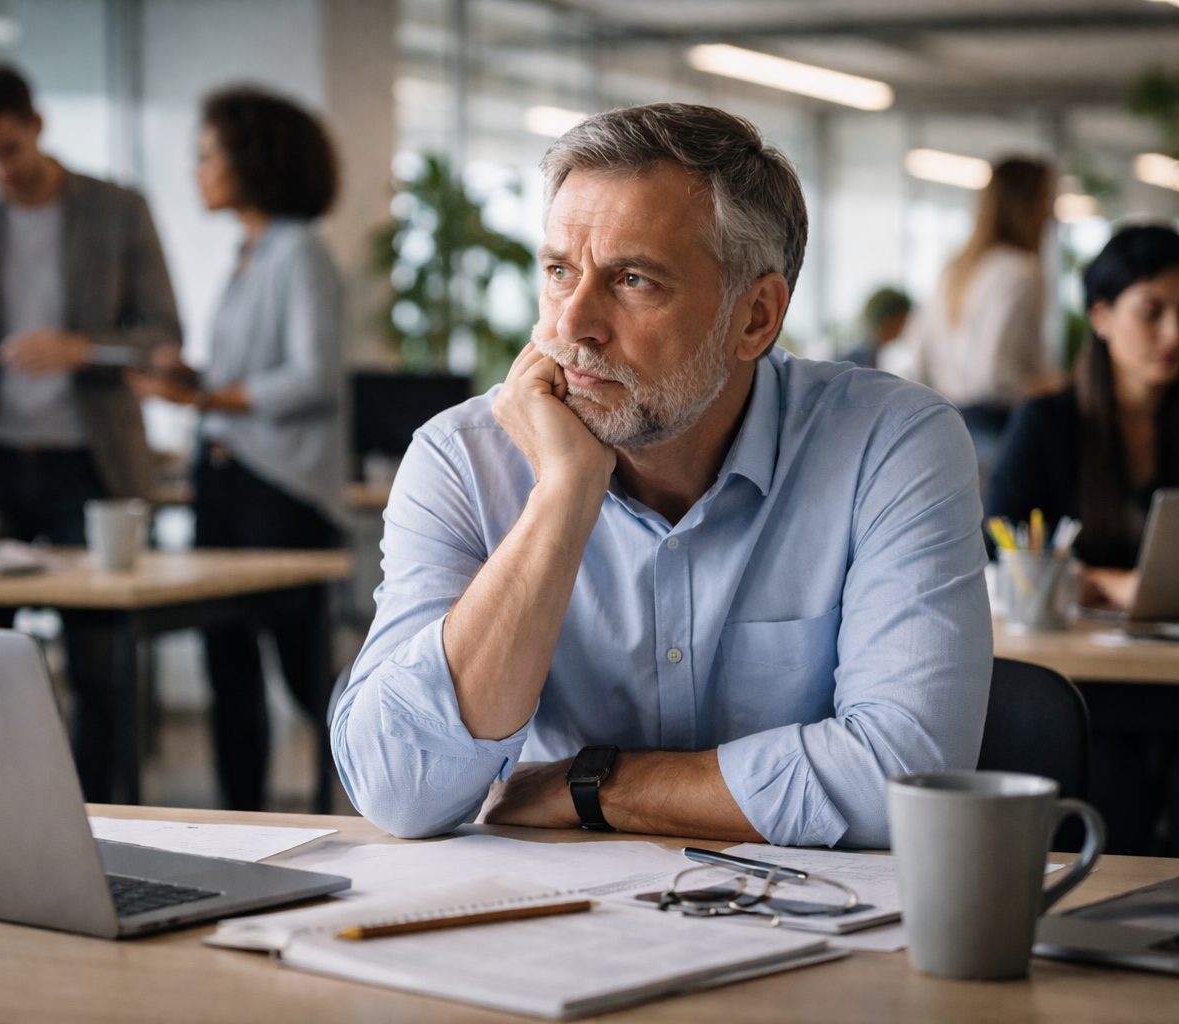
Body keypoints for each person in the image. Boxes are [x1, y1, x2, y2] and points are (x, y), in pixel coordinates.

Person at [332, 103, 992, 846]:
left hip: (808, 927)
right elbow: (399, 789)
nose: (570, 326)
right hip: (540, 933)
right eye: (558, 272)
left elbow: (907, 780)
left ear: (756, 317)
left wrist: (596, 787)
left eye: (634, 280)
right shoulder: (463, 458)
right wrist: (563, 493)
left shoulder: (890, 444)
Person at [0, 63, 182, 801]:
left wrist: (80, 347)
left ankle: (109, 826)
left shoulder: (117, 208)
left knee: (100, 667)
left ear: (36, 126)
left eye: (9, 150)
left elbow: (161, 335)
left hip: (87, 469)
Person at [128, 86, 345, 812]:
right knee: (228, 665)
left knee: (300, 671)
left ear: (252, 161)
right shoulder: (245, 255)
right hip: (222, 479)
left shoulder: (300, 253)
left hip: (279, 489)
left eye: (207, 155)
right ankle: (238, 815)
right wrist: (195, 381)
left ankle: (398, 795)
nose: (197, 171)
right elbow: (244, 376)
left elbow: (312, 378)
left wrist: (207, 399)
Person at [986, 224, 1179, 855]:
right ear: (1100, 315)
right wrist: (1115, 585)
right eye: (1153, 312)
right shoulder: (1047, 424)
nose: (1173, 334)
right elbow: (1002, 549)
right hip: (1085, 684)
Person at [905, 157, 1057, 462]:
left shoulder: (956, 269)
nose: (1052, 213)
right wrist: (1052, 388)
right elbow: (995, 374)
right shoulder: (1021, 270)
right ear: (1027, 204)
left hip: (948, 428)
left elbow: (916, 358)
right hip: (1000, 429)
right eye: (1047, 199)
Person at [836, 286, 911, 368]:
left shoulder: (880, 355)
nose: (904, 327)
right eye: (902, 321)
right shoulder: (852, 361)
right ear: (887, 321)